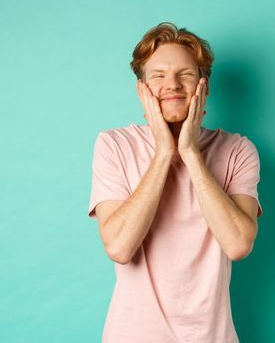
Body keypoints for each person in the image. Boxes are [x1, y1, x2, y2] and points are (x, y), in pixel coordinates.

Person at [87, 22, 263, 342]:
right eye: (158, 75)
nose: (173, 85)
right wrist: (164, 153)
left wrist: (190, 153)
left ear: (204, 87)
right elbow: (120, 247)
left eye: (185, 74)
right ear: (142, 89)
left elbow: (238, 244)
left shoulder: (238, 150)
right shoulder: (113, 145)